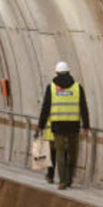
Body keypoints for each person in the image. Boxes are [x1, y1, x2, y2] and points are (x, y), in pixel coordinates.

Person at [37, 61, 89, 190]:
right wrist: (86, 126)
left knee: (60, 153)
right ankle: (69, 178)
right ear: (69, 72)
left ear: (56, 73)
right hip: (74, 125)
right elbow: (83, 107)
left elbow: (46, 107)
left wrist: (41, 125)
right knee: (72, 153)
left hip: (58, 126)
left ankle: (62, 181)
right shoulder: (77, 87)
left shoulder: (52, 88)